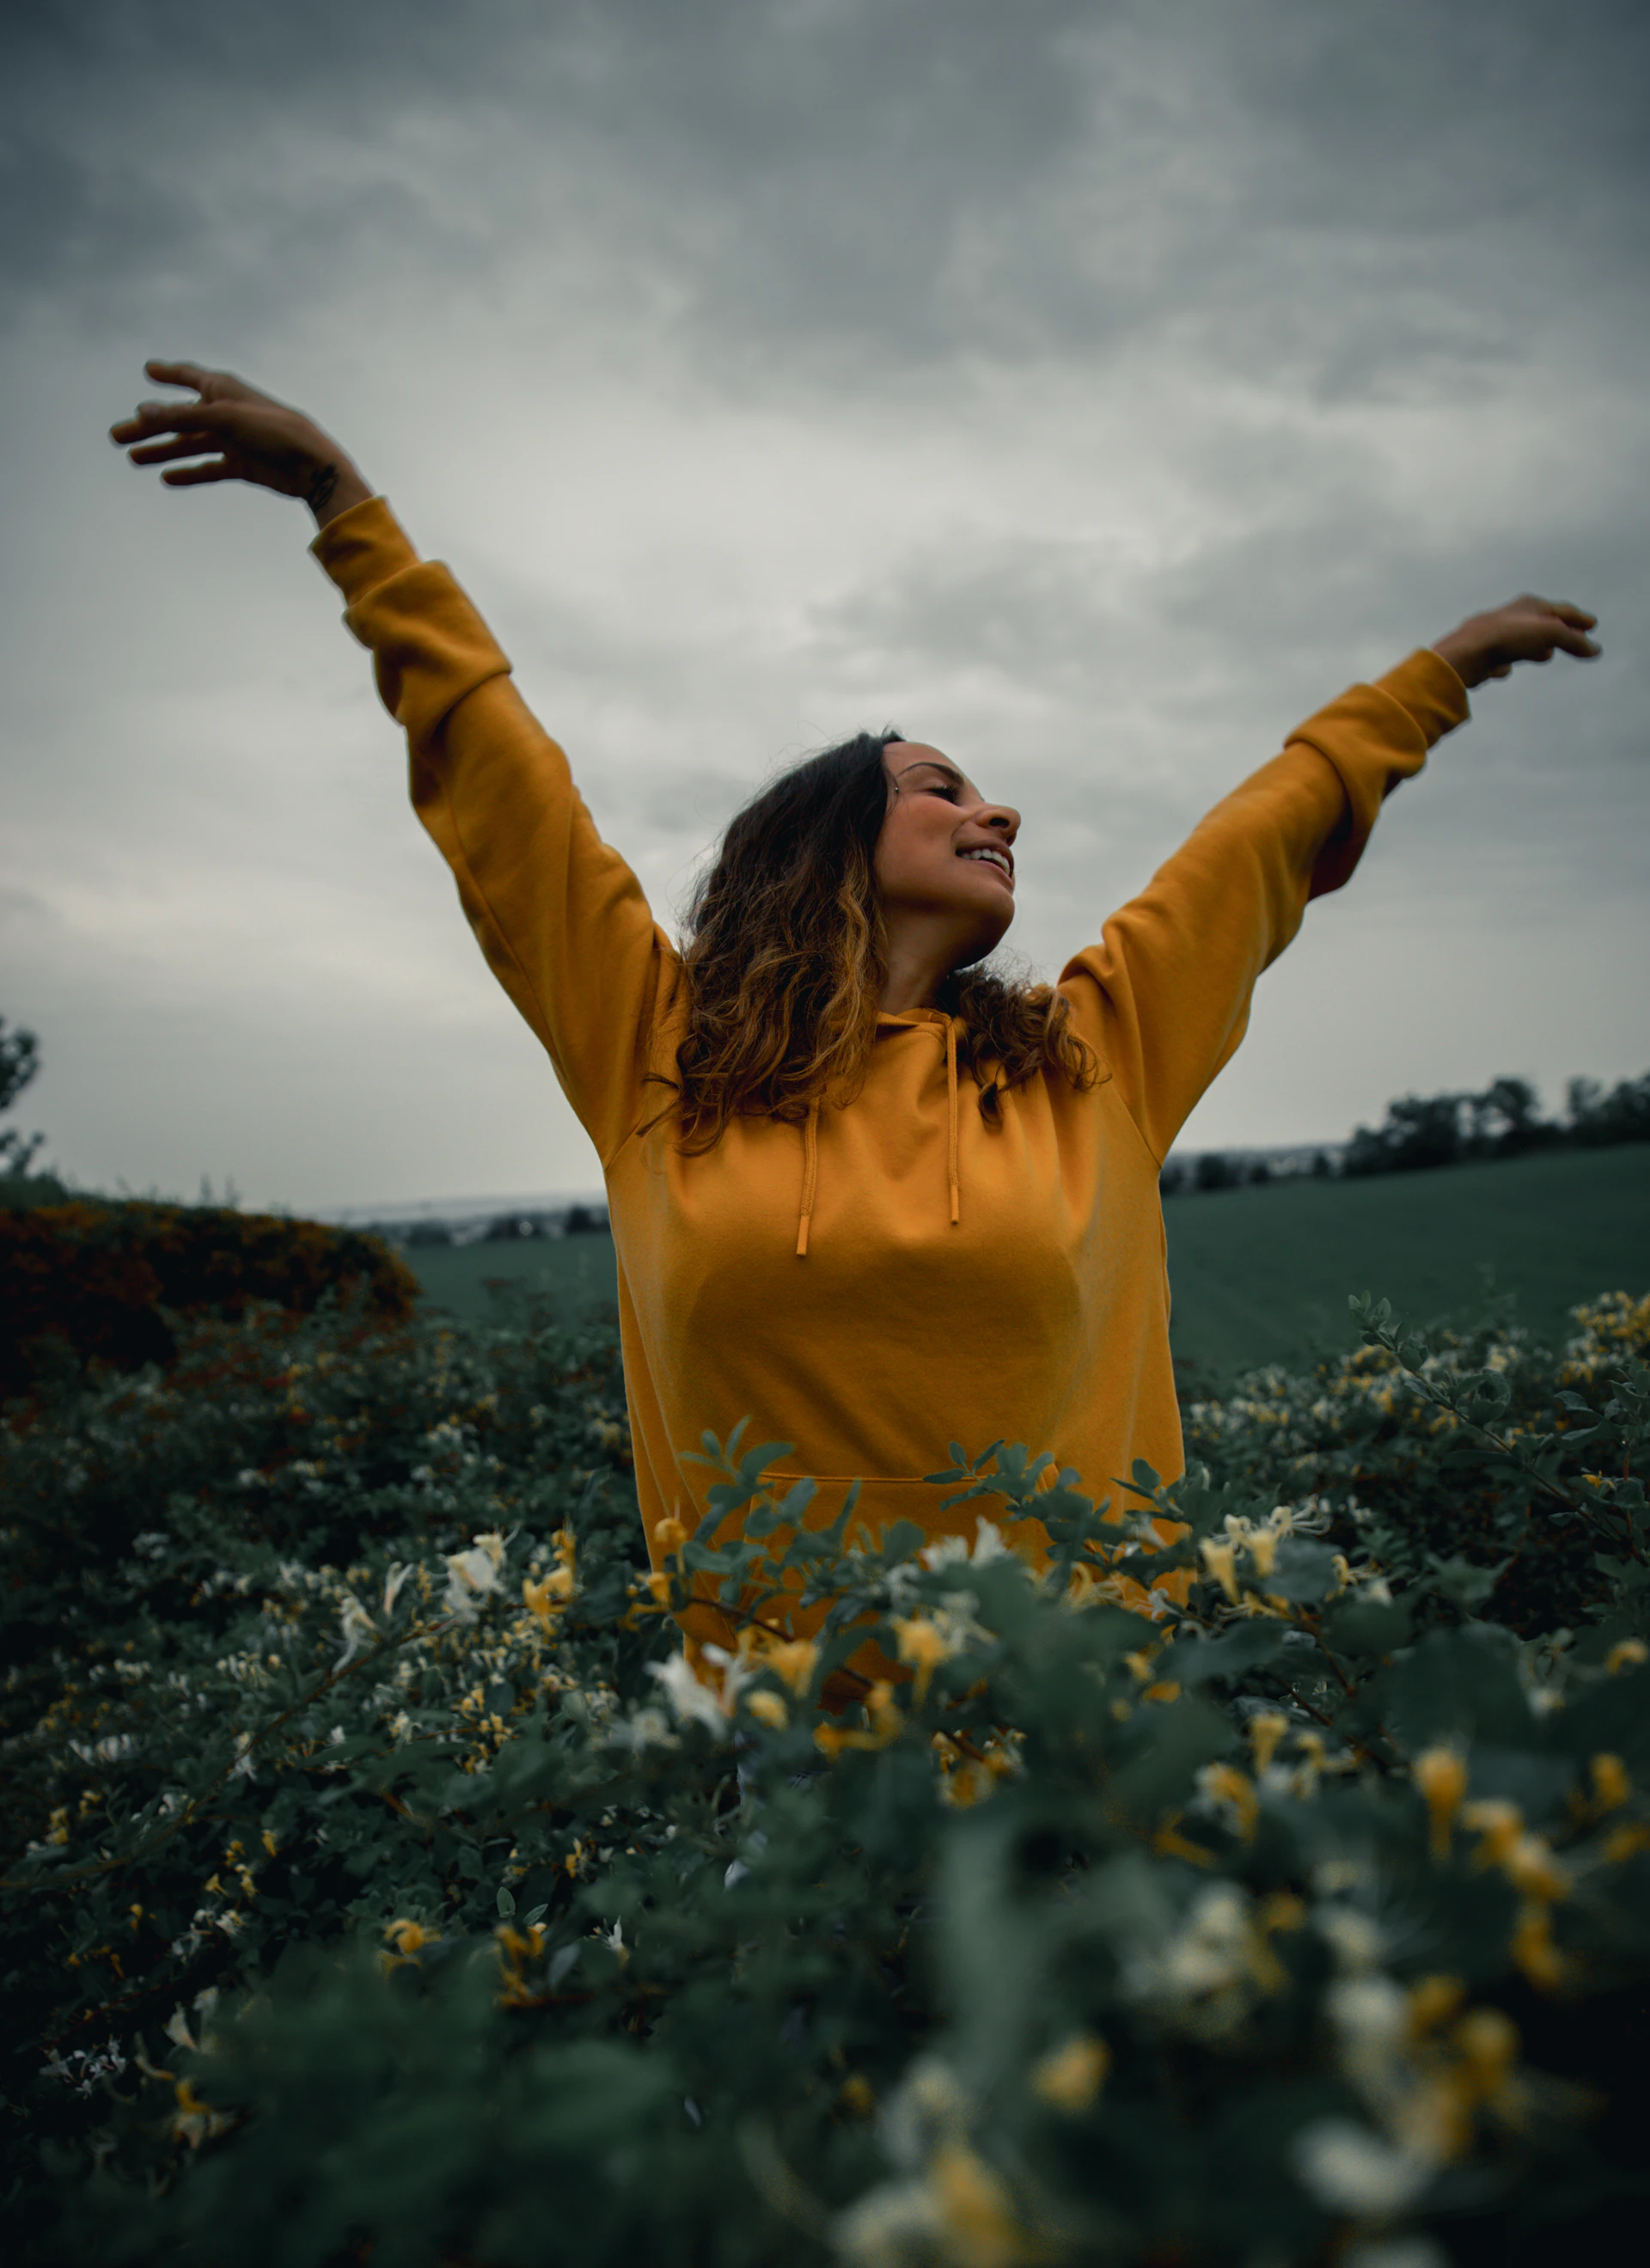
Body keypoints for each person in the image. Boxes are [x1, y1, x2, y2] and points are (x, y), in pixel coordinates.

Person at [110, 362, 1601, 1690]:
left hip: (1090, 1739)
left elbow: (1257, 840)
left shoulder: (1095, 1065)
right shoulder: (658, 1060)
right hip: (802, 1782)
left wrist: (1437, 674)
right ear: (821, 845)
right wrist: (342, 502)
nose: (995, 808)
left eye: (991, 791)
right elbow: (511, 798)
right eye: (941, 786)